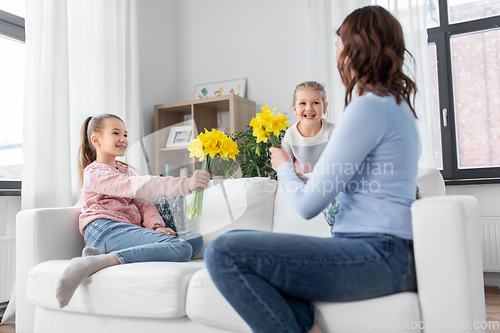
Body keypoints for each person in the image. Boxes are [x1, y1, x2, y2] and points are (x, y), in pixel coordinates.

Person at [205, 5, 420, 333]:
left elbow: (307, 205)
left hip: (376, 256)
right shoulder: (397, 106)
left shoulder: (368, 108)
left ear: (357, 48)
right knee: (241, 243)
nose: (335, 52)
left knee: (223, 251)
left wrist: (284, 167)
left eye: (338, 43)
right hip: (390, 254)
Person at [56, 114, 210, 308]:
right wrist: (186, 184)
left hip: (124, 230)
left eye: (125, 134)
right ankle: (96, 261)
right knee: (182, 248)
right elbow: (136, 186)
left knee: (194, 240)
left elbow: (144, 204)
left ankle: (104, 254)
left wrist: (156, 228)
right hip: (104, 229)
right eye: (115, 133)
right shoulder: (95, 172)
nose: (123, 139)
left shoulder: (124, 171)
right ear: (96, 140)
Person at [281, 81, 334, 181]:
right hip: (300, 185)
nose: (309, 108)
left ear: (325, 107)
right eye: (302, 103)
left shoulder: (332, 131)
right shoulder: (291, 134)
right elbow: (284, 166)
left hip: (327, 183)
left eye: (315, 103)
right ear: (295, 108)